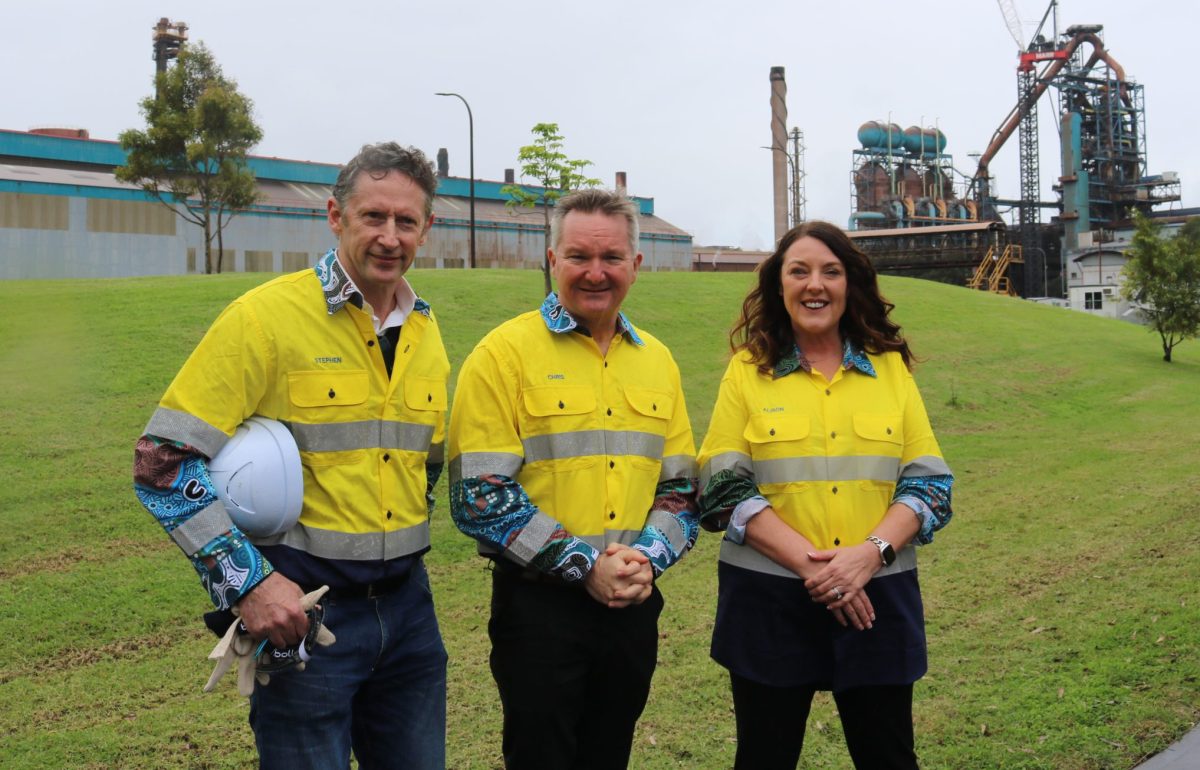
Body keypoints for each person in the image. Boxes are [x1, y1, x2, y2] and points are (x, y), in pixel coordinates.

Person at [133, 142, 449, 769]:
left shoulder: (425, 331)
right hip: (306, 623)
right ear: (335, 216)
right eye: (373, 217)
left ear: (426, 228)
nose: (390, 236)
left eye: (406, 221)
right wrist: (248, 583)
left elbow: (425, 467)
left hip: (411, 618)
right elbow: (161, 462)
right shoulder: (265, 319)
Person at [448, 188, 700, 770]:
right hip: (540, 611)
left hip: (633, 606)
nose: (595, 272)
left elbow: (682, 488)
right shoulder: (502, 354)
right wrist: (586, 567)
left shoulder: (657, 361)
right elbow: (478, 496)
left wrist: (646, 563)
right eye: (579, 256)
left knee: (609, 754)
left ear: (636, 265)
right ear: (551, 258)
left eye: (611, 258)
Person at [697, 220, 954, 770]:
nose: (816, 285)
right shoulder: (747, 373)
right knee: (764, 758)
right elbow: (722, 487)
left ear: (850, 283)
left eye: (830, 272)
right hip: (768, 605)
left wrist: (868, 555)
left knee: (889, 757)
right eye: (800, 271)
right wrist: (820, 571)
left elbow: (930, 482)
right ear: (779, 285)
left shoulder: (889, 370)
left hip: (876, 601)